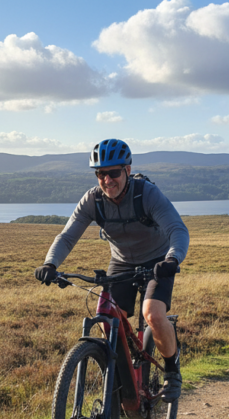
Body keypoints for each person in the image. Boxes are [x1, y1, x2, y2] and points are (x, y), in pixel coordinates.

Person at [34, 139, 190, 402]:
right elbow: (67, 236)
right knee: (108, 317)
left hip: (158, 261)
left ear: (127, 170)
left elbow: (177, 229)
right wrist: (51, 264)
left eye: (113, 172)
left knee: (151, 313)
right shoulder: (92, 200)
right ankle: (123, 374)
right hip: (121, 261)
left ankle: (172, 371)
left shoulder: (146, 194)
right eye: (100, 174)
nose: (107, 180)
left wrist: (173, 259)